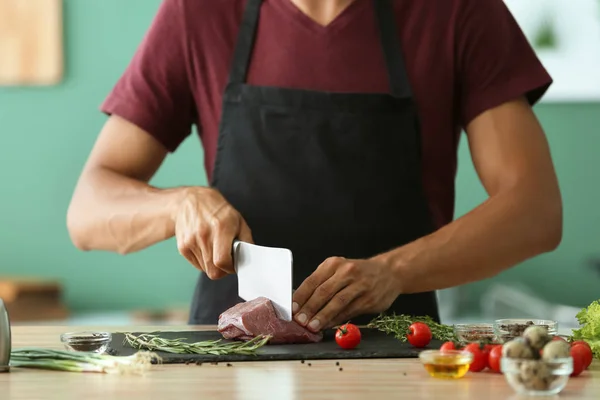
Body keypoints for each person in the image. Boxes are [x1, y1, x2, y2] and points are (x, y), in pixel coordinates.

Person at [67, 0, 562, 332]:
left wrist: (391, 272)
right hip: (228, 366)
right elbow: (87, 212)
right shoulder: (199, 13)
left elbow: (534, 210)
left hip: (402, 361)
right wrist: (179, 205)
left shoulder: (458, 12)